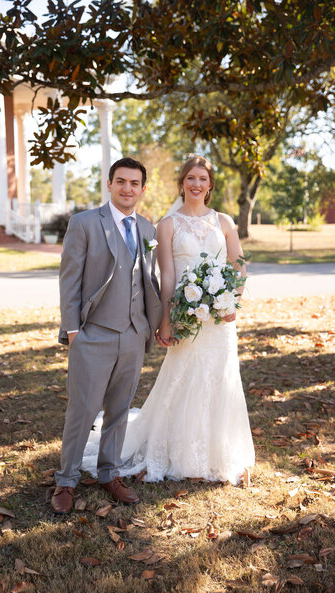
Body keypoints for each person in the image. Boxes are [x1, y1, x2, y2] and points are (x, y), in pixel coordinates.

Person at [82, 155, 255, 485]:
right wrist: (167, 321)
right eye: (190, 177)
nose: (196, 184)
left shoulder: (224, 221)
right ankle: (175, 449)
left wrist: (231, 299)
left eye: (202, 178)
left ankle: (220, 452)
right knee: (182, 378)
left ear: (210, 185)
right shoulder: (167, 224)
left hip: (220, 320)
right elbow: (168, 276)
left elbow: (239, 264)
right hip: (186, 315)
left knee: (221, 378)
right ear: (181, 183)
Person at [51, 157, 162, 514]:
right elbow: (69, 278)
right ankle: (66, 480)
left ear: (142, 190)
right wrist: (72, 331)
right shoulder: (84, 223)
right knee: (82, 410)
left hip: (133, 334)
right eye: (121, 182)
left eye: (134, 183)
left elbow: (149, 282)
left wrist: (151, 326)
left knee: (119, 410)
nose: (127, 188)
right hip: (93, 333)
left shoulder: (148, 229)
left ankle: (109, 474)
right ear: (110, 185)